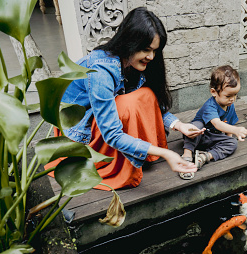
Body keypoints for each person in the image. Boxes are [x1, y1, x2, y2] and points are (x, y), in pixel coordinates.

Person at [45, 7, 203, 190]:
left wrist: (179, 125)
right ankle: (121, 165)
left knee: (145, 94)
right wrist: (166, 153)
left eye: (155, 51)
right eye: (146, 50)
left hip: (100, 124)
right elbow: (112, 134)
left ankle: (142, 153)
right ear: (130, 42)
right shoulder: (101, 71)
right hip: (80, 138)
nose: (151, 57)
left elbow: (151, 103)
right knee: (126, 105)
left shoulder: (131, 63)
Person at [179, 65, 247, 180]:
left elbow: (228, 126)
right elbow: (217, 124)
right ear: (214, 92)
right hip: (196, 136)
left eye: (235, 95)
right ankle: (187, 154)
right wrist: (236, 130)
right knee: (196, 126)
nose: (232, 99)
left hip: (213, 139)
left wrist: (228, 138)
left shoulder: (229, 105)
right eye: (228, 96)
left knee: (233, 143)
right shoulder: (210, 106)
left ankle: (204, 157)